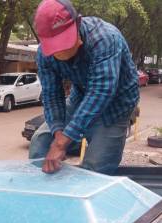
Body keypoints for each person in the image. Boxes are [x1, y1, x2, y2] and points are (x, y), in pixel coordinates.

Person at [30, 0, 139, 175]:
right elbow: (52, 95)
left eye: (65, 42)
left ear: (78, 23)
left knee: (96, 167)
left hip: (117, 104)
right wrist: (58, 134)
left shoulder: (105, 38)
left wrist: (61, 144)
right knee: (40, 144)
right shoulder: (44, 54)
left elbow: (101, 92)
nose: (60, 52)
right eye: (55, 46)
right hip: (80, 96)